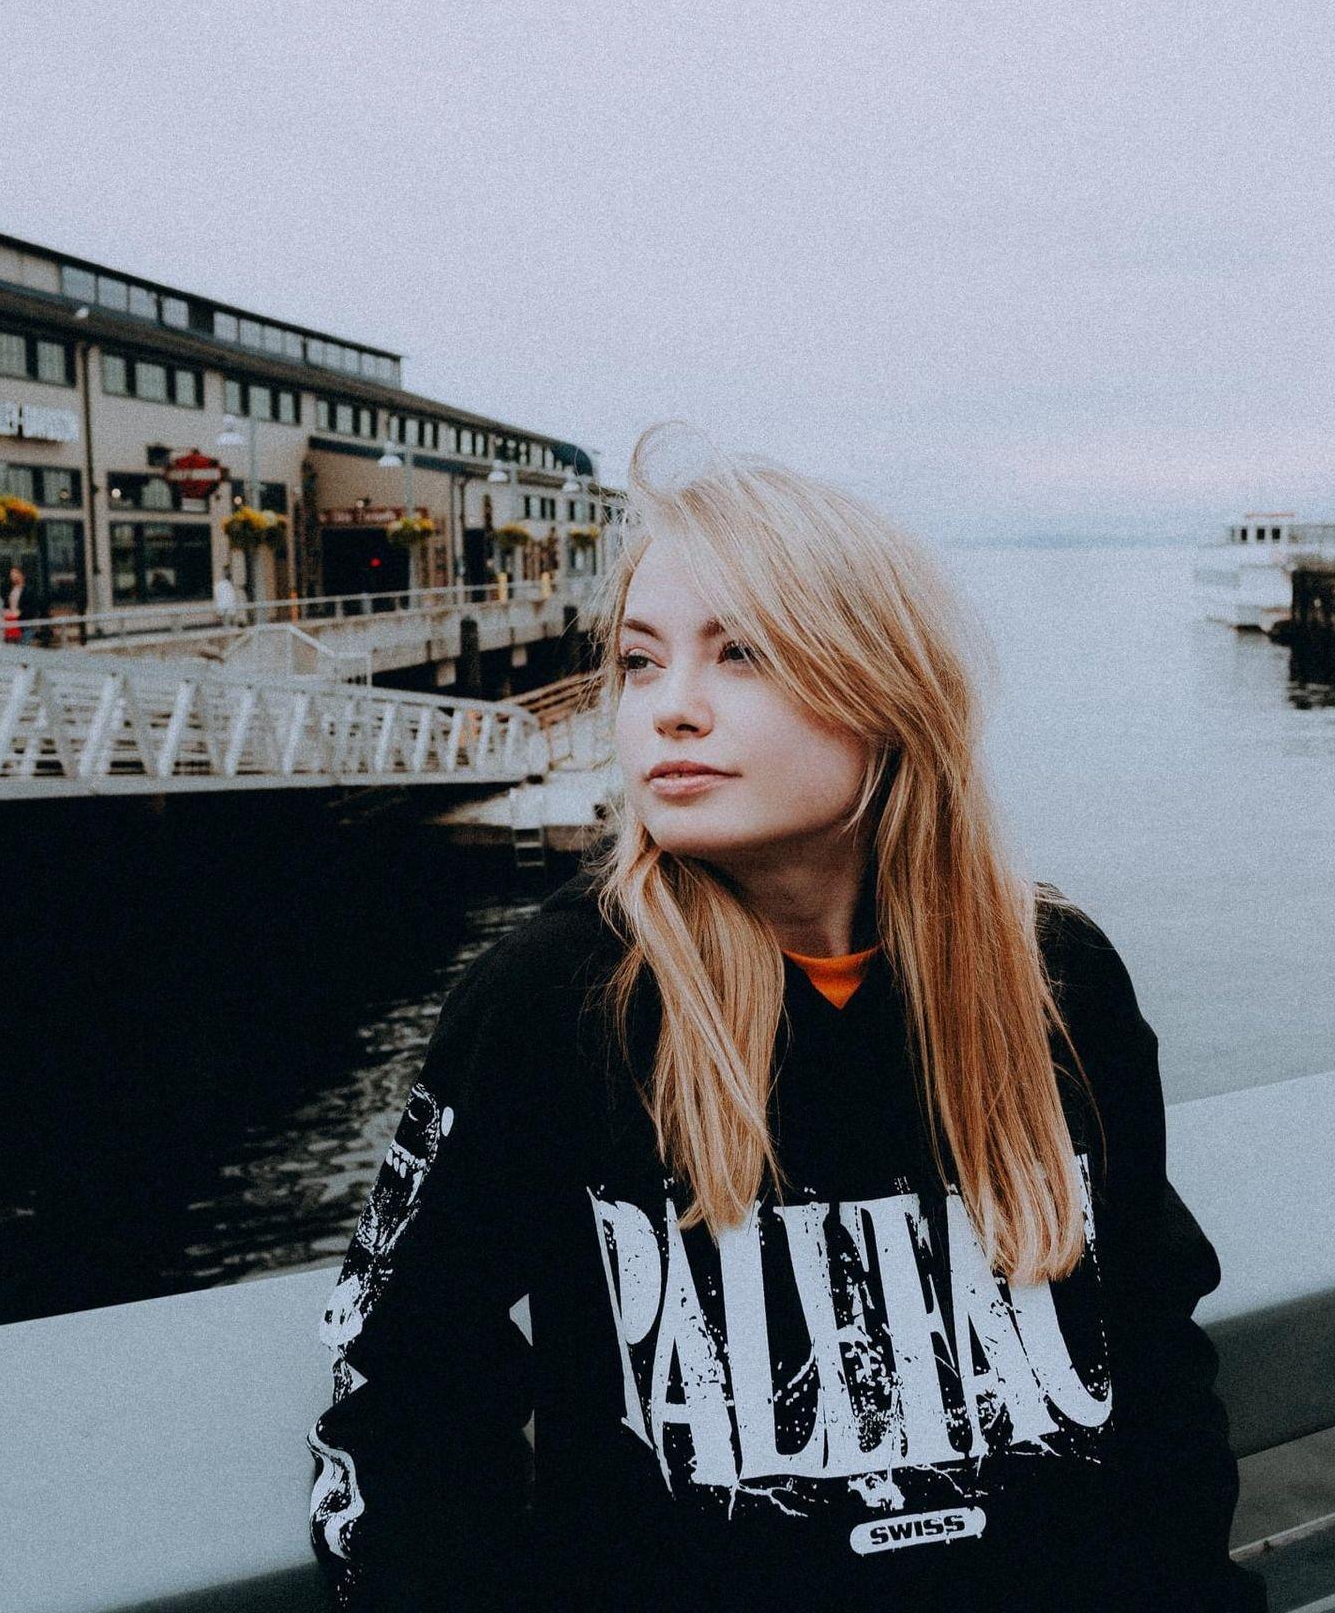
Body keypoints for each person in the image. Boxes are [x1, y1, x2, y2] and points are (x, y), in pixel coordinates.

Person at [305, 420, 1268, 1613]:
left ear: (886, 688)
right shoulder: (556, 1002)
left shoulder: (1053, 979)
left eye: (743, 654)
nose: (670, 710)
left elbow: (1153, 1354)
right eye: (641, 662)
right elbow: (403, 1387)